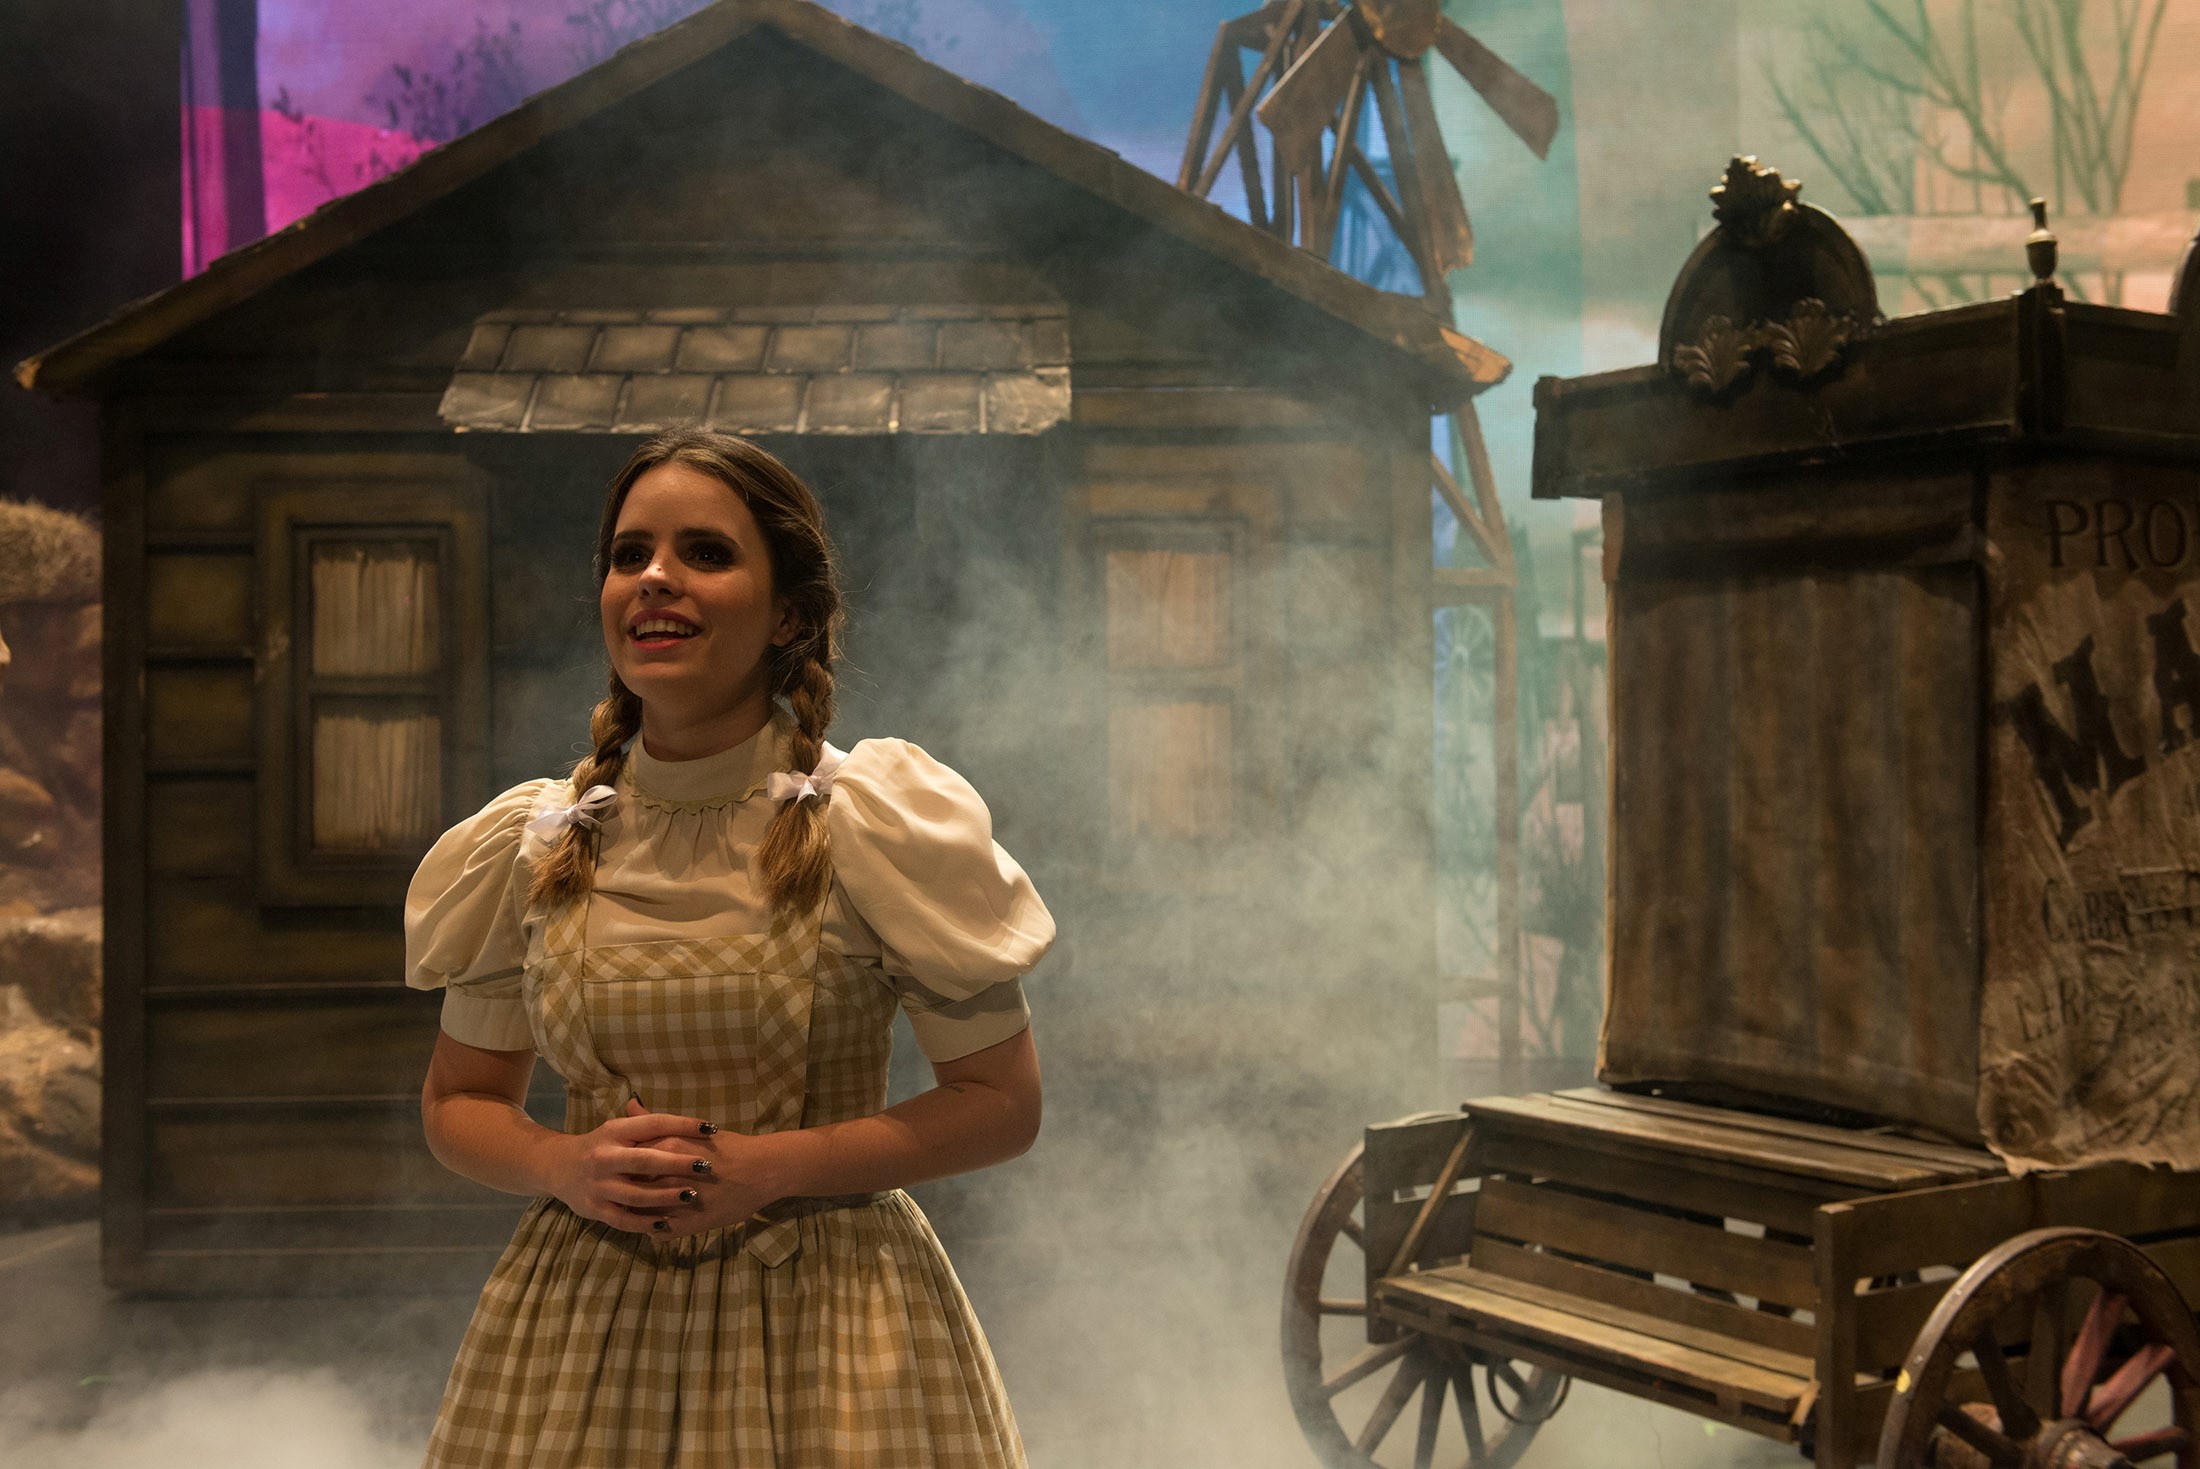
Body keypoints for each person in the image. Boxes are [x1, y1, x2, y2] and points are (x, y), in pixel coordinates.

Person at [404, 428, 1053, 1467]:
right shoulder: (538, 841)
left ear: (787, 612)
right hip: (588, 1327)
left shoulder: (870, 822)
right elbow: (458, 1100)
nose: (655, 577)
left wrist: (771, 1166)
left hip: (831, 1326)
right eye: (631, 554)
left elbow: (1001, 1101)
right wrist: (562, 1162)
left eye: (704, 552)